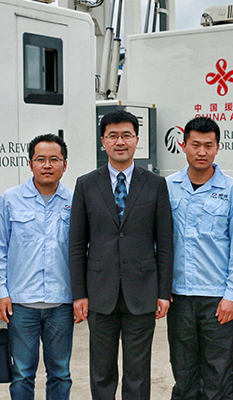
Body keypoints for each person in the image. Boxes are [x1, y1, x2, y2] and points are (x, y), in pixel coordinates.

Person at [69, 110, 173, 400]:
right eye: (113, 136)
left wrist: (163, 292)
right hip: (99, 292)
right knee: (101, 371)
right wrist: (79, 294)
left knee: (138, 372)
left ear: (137, 140)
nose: (120, 142)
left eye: (126, 135)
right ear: (103, 141)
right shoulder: (86, 184)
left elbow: (165, 243)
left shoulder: (155, 184)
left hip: (142, 291)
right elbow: (76, 244)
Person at [166, 116, 233, 399]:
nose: (201, 152)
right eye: (195, 145)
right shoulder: (167, 187)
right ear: (183, 146)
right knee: (183, 374)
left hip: (217, 299)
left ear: (217, 148)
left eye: (208, 145)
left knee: (218, 376)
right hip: (179, 297)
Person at [0, 134, 74, 399]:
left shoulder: (74, 202)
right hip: (21, 304)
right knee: (22, 374)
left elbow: (83, 251)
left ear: (65, 164)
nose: (47, 165)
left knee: (60, 373)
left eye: (54, 159)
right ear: (30, 163)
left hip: (62, 304)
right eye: (40, 159)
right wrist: (1, 293)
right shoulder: (10, 200)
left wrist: (82, 296)